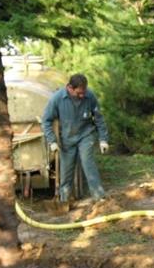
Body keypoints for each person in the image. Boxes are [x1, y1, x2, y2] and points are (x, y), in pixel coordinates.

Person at [42, 73, 109, 203]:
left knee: (88, 164)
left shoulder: (89, 96)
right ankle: (64, 199)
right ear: (70, 88)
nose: (82, 96)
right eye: (79, 93)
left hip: (86, 135)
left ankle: (99, 197)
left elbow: (99, 119)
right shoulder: (57, 99)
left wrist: (103, 139)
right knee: (66, 170)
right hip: (66, 139)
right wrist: (52, 141)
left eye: (84, 92)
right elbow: (46, 121)